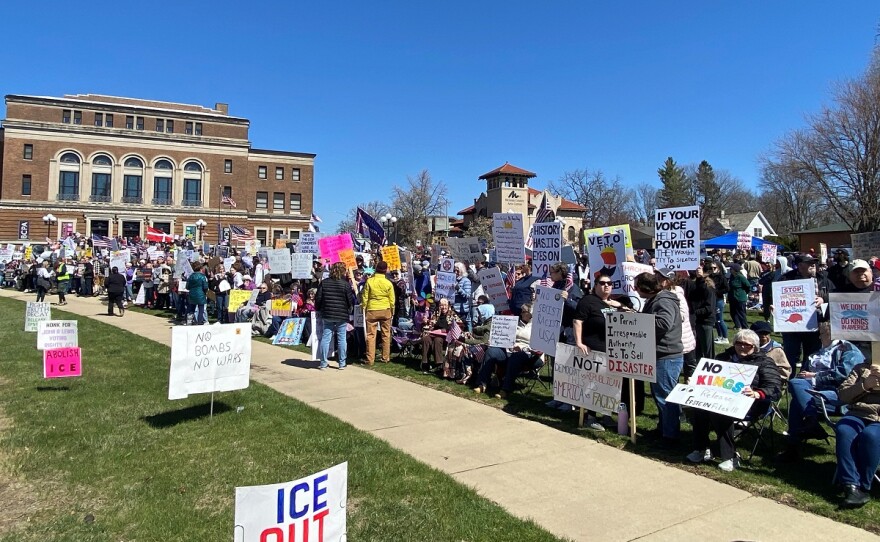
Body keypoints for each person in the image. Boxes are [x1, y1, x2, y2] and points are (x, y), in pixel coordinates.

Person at [687, 329, 782, 472]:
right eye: (739, 343)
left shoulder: (764, 362)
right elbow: (710, 377)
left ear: (755, 346)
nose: (742, 347)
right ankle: (701, 449)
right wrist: (695, 381)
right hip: (719, 398)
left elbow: (774, 388)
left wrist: (757, 393)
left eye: (747, 345)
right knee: (698, 408)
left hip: (752, 403)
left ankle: (730, 457)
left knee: (720, 412)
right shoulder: (723, 357)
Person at [776, 323, 864, 462]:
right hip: (814, 392)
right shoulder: (819, 350)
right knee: (797, 391)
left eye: (822, 333)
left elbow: (845, 374)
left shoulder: (849, 350)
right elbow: (804, 373)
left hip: (838, 394)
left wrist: (815, 377)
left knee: (796, 395)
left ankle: (796, 442)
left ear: (831, 334)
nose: (819, 336)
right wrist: (806, 377)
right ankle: (810, 423)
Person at [573, 270, 630, 430]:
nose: (606, 286)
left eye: (609, 284)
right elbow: (578, 321)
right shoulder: (588, 301)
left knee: (610, 384)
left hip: (611, 350)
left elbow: (630, 313)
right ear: (595, 285)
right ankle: (590, 417)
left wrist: (618, 305)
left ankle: (606, 414)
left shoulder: (612, 303)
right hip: (593, 350)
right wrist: (579, 342)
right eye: (602, 283)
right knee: (594, 384)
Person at [634, 272, 684, 447]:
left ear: (645, 288)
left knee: (665, 396)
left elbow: (663, 324)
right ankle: (664, 428)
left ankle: (670, 436)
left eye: (637, 286)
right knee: (660, 395)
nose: (635, 289)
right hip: (660, 354)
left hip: (666, 355)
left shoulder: (663, 301)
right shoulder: (658, 300)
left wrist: (639, 320)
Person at [834, 361, 880, 508]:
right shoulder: (861, 368)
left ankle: (863, 486)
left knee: (870, 436)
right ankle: (851, 485)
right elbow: (843, 394)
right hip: (858, 413)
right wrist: (865, 385)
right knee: (844, 430)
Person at [778, 254, 835, 372]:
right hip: (791, 326)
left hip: (814, 324)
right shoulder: (786, 279)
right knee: (790, 354)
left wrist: (823, 299)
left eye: (814, 262)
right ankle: (788, 380)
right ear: (799, 266)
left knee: (811, 355)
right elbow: (778, 296)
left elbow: (834, 296)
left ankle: (805, 379)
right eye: (809, 263)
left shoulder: (823, 279)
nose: (813, 265)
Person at [473, 303, 540, 399]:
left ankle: (505, 389)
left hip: (529, 354)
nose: (521, 314)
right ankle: (482, 384)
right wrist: (494, 341)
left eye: (524, 312)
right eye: (521, 312)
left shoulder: (537, 326)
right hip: (509, 351)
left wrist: (522, 348)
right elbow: (505, 338)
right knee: (491, 352)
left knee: (516, 357)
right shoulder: (515, 323)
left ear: (531, 313)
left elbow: (538, 346)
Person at [315, 262, 356, 370]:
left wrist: (318, 309)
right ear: (343, 271)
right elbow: (349, 300)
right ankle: (342, 363)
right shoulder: (345, 284)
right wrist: (348, 309)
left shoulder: (324, 283)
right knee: (342, 338)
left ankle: (323, 363)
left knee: (326, 337)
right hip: (341, 314)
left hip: (327, 313)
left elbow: (318, 298)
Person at [360, 260, 395, 365]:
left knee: (371, 335)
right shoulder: (388, 283)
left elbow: (365, 297)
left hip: (372, 309)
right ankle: (385, 357)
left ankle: (370, 359)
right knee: (386, 334)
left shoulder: (370, 281)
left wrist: (364, 308)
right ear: (385, 270)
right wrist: (392, 311)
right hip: (385, 309)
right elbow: (392, 299)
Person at [420, 298, 462, 375]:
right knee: (425, 339)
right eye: (441, 305)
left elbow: (459, 325)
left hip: (446, 336)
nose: (443, 307)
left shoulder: (452, 314)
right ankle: (425, 363)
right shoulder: (436, 313)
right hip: (434, 333)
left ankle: (439, 365)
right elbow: (431, 324)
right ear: (439, 306)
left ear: (448, 306)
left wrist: (445, 330)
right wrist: (428, 322)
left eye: (445, 305)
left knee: (437, 340)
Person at [689, 264, 716, 365]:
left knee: (707, 348)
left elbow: (709, 308)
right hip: (698, 321)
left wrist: (694, 312)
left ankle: (710, 365)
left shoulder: (709, 290)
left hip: (706, 322)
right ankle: (700, 365)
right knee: (698, 347)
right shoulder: (700, 289)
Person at [708, 259, 729, 344]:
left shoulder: (722, 277)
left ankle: (725, 337)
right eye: (711, 268)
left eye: (714, 268)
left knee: (720, 319)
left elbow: (727, 288)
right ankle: (720, 336)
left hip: (718, 300)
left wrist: (717, 292)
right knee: (716, 319)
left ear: (719, 268)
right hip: (712, 299)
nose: (712, 269)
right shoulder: (710, 276)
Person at [727, 262, 750, 332]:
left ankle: (745, 327)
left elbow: (748, 285)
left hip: (740, 298)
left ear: (734, 270)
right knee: (733, 312)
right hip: (732, 297)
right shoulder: (732, 276)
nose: (730, 270)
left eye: (731, 268)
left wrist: (744, 292)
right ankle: (738, 325)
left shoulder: (741, 277)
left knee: (741, 313)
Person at [452, 262, 473, 331]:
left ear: (462, 271)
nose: (456, 272)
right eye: (454, 270)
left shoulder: (466, 281)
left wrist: (458, 289)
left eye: (457, 270)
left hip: (462, 310)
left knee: (462, 328)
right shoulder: (452, 280)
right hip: (453, 309)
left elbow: (467, 295)